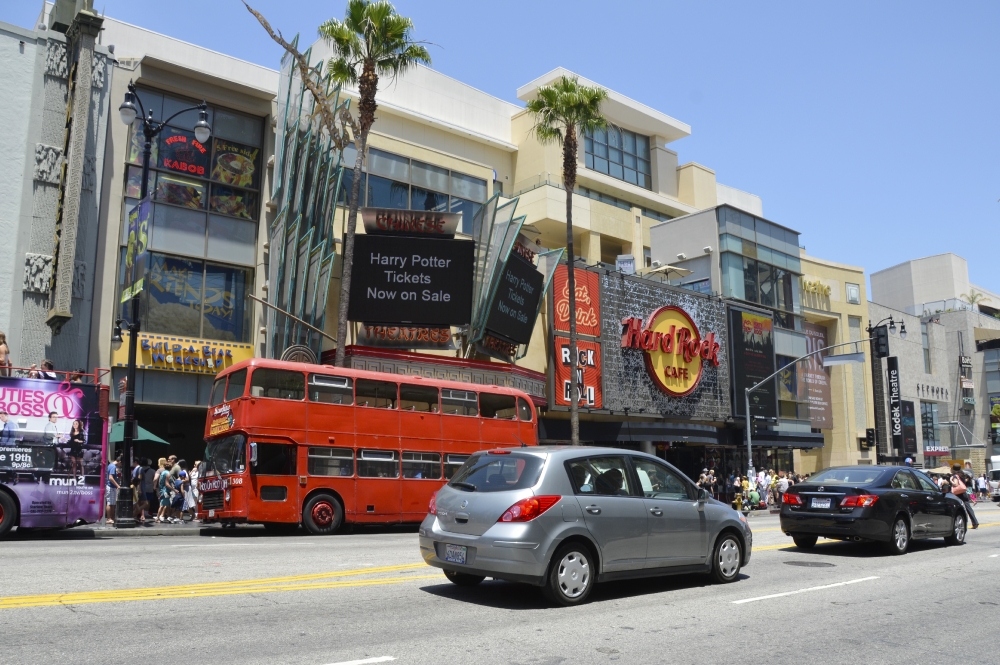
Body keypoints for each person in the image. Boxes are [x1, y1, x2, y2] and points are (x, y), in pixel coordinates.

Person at [950, 464, 979, 529]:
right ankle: (975, 522)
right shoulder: (962, 475)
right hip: (963, 493)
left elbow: (956, 484)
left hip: (957, 495)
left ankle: (956, 524)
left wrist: (951, 480)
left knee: (956, 509)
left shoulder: (955, 476)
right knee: (969, 508)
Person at [156, 458, 175, 523]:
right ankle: (158, 517)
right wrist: (174, 490)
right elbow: (167, 484)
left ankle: (163, 516)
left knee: (165, 504)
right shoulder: (168, 473)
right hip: (165, 491)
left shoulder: (163, 472)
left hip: (162, 490)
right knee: (162, 505)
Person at [105, 456, 121, 524]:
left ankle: (111, 517)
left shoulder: (111, 466)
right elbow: (110, 478)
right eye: (121, 464)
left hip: (112, 487)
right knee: (110, 502)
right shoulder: (113, 466)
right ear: (119, 461)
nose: (121, 465)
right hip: (111, 486)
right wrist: (117, 485)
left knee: (112, 503)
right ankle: (109, 518)